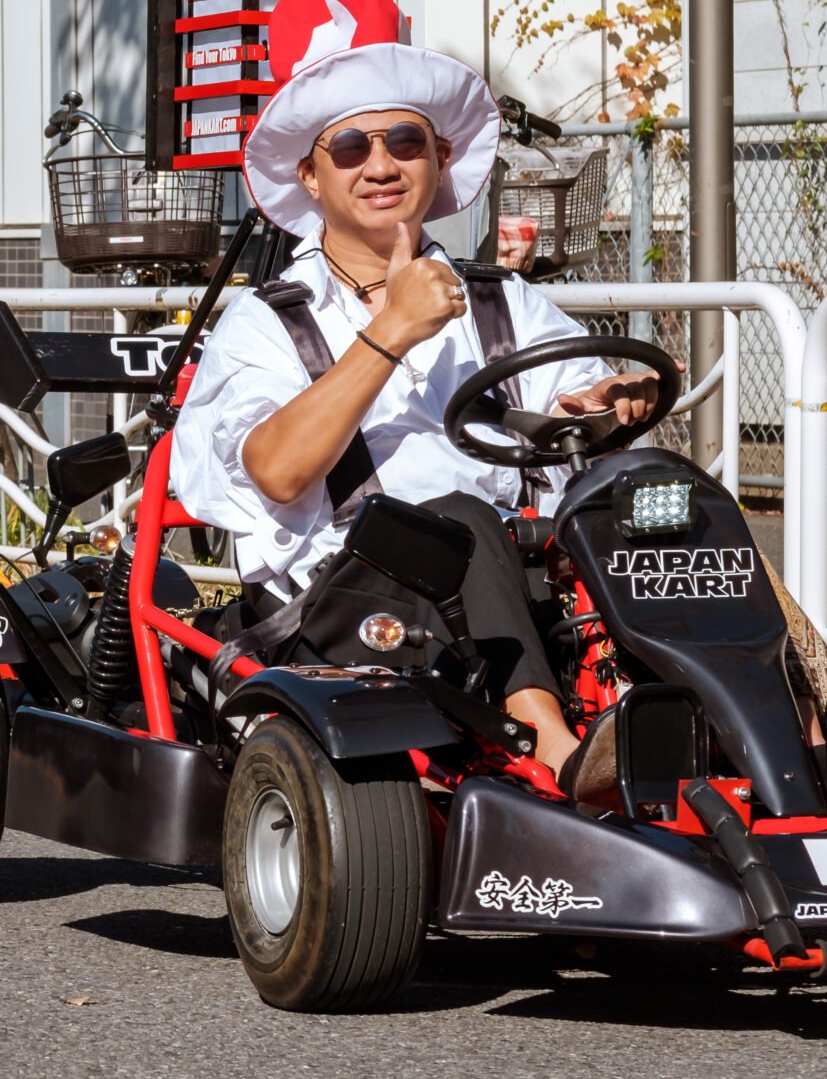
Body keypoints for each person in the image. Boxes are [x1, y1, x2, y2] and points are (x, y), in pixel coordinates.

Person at [175, 39, 660, 780]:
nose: (380, 165)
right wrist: (390, 329)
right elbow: (275, 469)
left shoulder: (501, 299)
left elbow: (574, 397)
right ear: (310, 173)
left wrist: (604, 404)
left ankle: (799, 739)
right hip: (344, 597)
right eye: (348, 146)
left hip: (516, 572)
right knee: (455, 518)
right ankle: (556, 748)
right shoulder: (268, 320)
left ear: (437, 157)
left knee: (667, 495)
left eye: (404, 141)